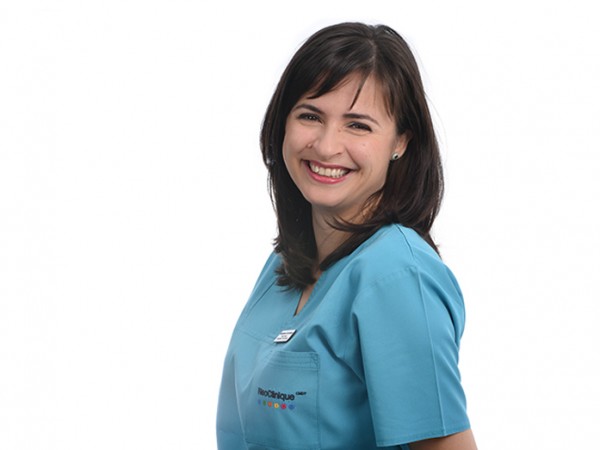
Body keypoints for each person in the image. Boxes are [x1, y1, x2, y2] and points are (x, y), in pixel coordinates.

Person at [216, 22, 477, 450]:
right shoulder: (283, 267)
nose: (326, 146)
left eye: (358, 126)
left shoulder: (396, 276)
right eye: (310, 116)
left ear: (400, 142)